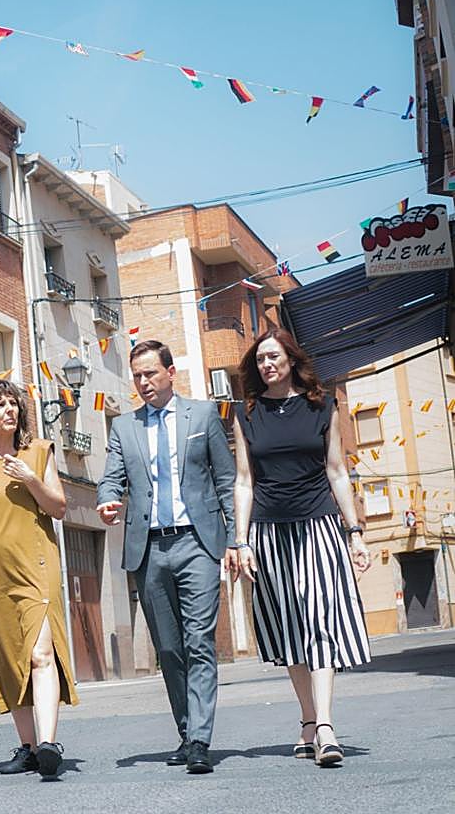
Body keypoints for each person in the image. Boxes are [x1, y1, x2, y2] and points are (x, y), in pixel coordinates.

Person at [228, 328, 371, 767]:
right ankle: (307, 719)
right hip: (270, 533)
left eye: (273, 357)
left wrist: (355, 531)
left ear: (291, 360)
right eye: (260, 360)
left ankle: (325, 725)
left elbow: (337, 471)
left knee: (321, 618)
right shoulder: (245, 412)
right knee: (291, 627)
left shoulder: (321, 406)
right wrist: (241, 540)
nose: (266, 365)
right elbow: (244, 481)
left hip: (319, 525)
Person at [96, 340, 237, 775]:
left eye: (150, 374)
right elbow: (110, 480)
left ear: (170, 372)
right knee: (169, 648)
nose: (143, 383)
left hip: (197, 542)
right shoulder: (124, 427)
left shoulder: (203, 416)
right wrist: (106, 502)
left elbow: (226, 479)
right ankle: (186, 730)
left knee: (198, 642)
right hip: (149, 548)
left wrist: (234, 541)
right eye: (137, 376)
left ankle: (199, 739)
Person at [0, 380, 77, 780]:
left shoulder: (38, 453)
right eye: (0, 405)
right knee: (9, 658)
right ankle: (27, 748)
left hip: (37, 564)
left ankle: (48, 744)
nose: (9, 410)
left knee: (41, 653)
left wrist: (31, 479)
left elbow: (59, 508)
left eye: (13, 404)